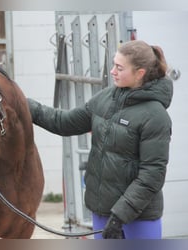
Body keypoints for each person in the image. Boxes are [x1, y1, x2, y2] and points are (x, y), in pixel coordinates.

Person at [27, 40, 173, 239]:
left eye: (119, 68)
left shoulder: (155, 116)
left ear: (140, 73)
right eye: (114, 64)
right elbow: (64, 122)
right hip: (103, 213)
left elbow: (152, 175)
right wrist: (21, 103)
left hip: (137, 219)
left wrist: (120, 216)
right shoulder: (105, 98)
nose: (112, 71)